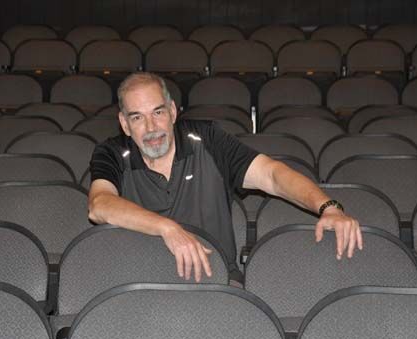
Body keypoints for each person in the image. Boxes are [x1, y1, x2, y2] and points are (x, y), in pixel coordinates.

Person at [88, 72, 362, 282]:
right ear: (124, 124)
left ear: (172, 112)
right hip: (140, 286)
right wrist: (167, 228)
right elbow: (100, 204)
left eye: (158, 112)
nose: (151, 127)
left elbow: (272, 175)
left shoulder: (207, 140)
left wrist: (328, 207)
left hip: (216, 281)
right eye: (137, 117)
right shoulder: (112, 153)